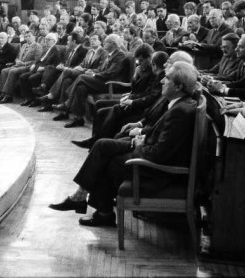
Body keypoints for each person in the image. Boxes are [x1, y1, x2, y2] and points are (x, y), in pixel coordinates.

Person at [48, 61, 199, 227]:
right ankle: (85, 199)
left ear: (178, 86)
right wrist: (139, 136)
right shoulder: (179, 103)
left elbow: (159, 153)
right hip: (147, 148)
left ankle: (98, 210)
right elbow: (160, 133)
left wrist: (138, 142)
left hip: (158, 170)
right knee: (102, 145)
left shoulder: (180, 111)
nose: (162, 81)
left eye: (167, 78)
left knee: (108, 159)